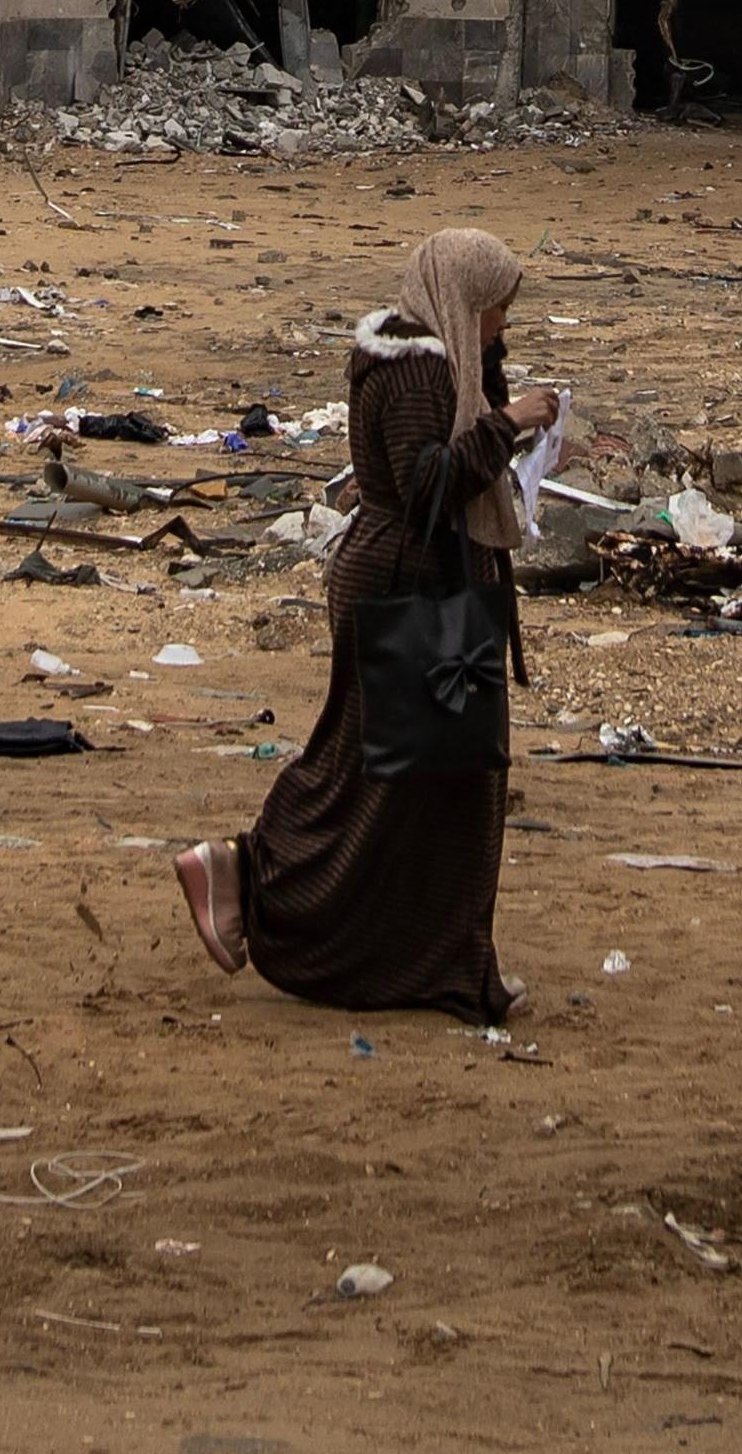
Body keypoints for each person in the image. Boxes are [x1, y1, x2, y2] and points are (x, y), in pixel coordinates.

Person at [177, 225, 547, 1026]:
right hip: (412, 586)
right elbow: (426, 485)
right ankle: (246, 871)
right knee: (392, 777)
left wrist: (492, 393)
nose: (499, 330)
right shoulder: (416, 370)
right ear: (463, 298)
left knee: (411, 779)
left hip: (415, 581)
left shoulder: (420, 357)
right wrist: (506, 421)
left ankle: (435, 958)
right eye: (493, 312)